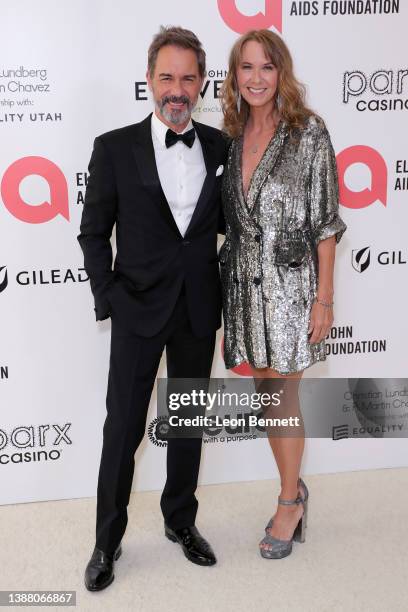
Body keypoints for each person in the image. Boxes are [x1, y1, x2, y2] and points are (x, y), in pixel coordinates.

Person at [78, 26, 229, 591]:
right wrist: (109, 295)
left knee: (188, 424)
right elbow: (94, 233)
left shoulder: (220, 147)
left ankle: (180, 523)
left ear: (202, 83)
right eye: (167, 76)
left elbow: (231, 231)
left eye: (188, 78)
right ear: (149, 81)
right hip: (137, 310)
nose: (177, 88)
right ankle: (105, 542)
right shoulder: (114, 146)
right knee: (122, 430)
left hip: (197, 309)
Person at [219, 29, 347, 559]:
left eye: (266, 67)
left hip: (293, 293)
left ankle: (289, 501)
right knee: (266, 398)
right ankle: (294, 489)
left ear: (282, 73)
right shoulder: (229, 133)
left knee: (283, 398)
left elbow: (325, 223)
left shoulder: (308, 133)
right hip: (245, 293)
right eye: (246, 68)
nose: (256, 78)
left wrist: (324, 300)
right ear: (235, 76)